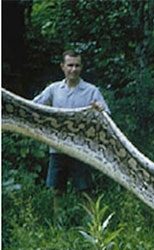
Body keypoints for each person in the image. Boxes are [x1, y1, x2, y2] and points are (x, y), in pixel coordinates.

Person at [33, 50, 110, 214]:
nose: (73, 69)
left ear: (81, 67)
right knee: (56, 190)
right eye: (70, 65)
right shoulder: (53, 90)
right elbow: (33, 107)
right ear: (62, 67)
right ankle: (59, 227)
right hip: (57, 148)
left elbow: (106, 117)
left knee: (85, 190)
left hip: (81, 149)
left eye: (77, 65)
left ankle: (92, 226)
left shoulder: (91, 91)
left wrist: (100, 110)